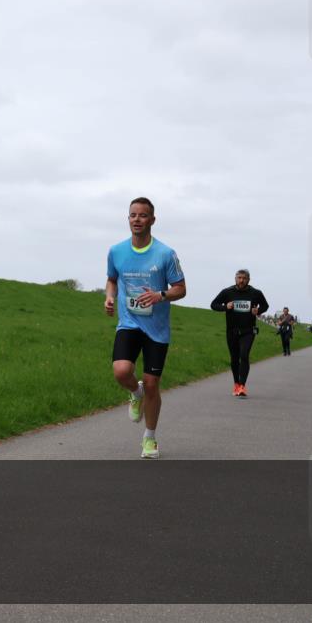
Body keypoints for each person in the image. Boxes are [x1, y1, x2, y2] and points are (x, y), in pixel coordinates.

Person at [105, 197, 186, 459]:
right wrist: (109, 297)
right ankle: (134, 391)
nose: (137, 219)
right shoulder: (116, 251)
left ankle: (149, 439)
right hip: (129, 322)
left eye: (142, 215)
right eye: (133, 215)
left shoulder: (165, 254)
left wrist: (160, 295)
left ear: (152, 220)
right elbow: (112, 279)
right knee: (121, 371)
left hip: (156, 329)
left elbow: (181, 289)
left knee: (152, 384)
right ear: (128, 219)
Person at [211, 270, 269, 397]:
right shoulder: (227, 292)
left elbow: (265, 306)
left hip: (248, 330)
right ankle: (236, 383)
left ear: (249, 279)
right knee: (234, 358)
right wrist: (226, 307)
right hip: (232, 331)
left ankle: (242, 386)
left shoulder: (256, 293)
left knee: (244, 355)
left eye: (244, 278)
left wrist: (258, 310)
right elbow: (213, 305)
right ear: (235, 278)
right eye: (239, 278)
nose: (241, 280)